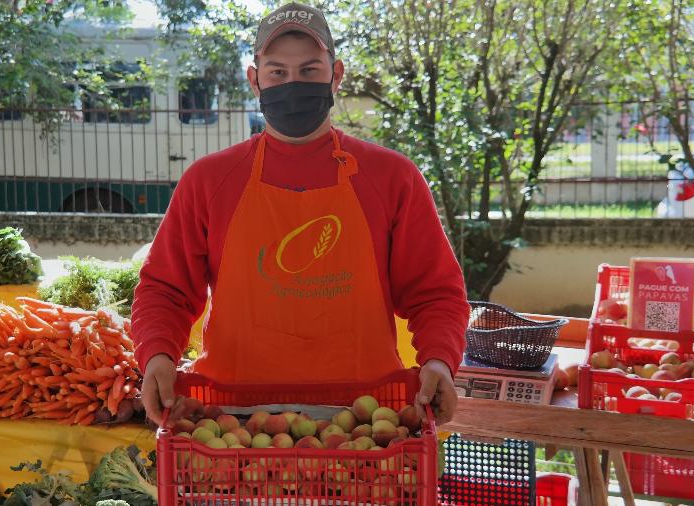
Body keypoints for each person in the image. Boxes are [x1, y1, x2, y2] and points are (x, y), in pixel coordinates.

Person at [132, 2, 469, 427]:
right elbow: (165, 289)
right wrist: (158, 353)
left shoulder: (392, 178)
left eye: (309, 71)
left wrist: (439, 359)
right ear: (255, 80)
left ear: (337, 75)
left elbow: (435, 292)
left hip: (365, 420)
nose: (293, 84)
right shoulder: (209, 180)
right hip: (231, 419)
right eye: (278, 73)